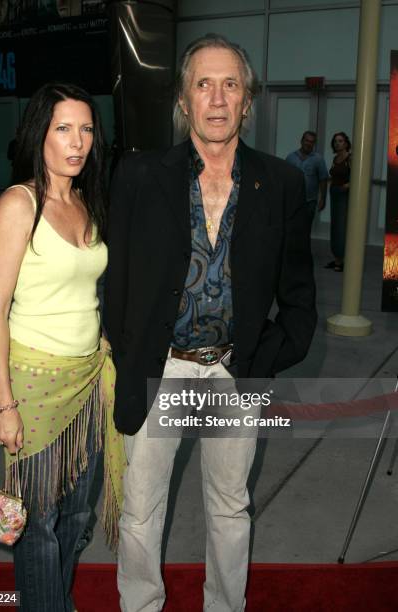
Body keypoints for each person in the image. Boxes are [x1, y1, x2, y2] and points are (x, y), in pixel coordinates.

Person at [104, 34, 317, 612]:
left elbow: (299, 301)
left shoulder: (281, 185)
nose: (218, 98)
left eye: (231, 85)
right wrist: (125, 360)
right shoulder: (139, 176)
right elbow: (114, 285)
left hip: (232, 373)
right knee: (141, 508)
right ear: (183, 99)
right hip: (160, 369)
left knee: (229, 505)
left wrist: (261, 358)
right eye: (204, 84)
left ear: (248, 101)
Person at [0, 82, 125, 612]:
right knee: (38, 521)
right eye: (64, 128)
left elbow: (85, 289)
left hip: (88, 381)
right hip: (34, 385)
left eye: (86, 128)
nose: (78, 141)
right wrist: (3, 404)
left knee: (78, 515)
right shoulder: (19, 205)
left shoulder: (86, 201)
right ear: (39, 133)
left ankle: (52, 600)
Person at [286, 130, 328, 223]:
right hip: (293, 200)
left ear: (314, 144)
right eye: (307, 140)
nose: (309, 143)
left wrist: (323, 199)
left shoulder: (318, 159)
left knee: (306, 228)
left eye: (312, 142)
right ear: (302, 141)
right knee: (292, 227)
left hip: (310, 201)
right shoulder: (291, 157)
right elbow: (285, 178)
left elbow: (323, 179)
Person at [325, 131, 351, 272]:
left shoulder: (349, 158)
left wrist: (345, 187)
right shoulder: (336, 158)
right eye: (335, 141)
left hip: (343, 196)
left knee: (341, 227)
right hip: (334, 194)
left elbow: (355, 178)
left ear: (346, 143)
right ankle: (337, 259)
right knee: (335, 226)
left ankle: (341, 260)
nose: (337, 143)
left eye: (340, 141)